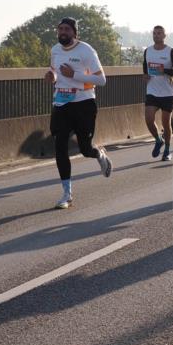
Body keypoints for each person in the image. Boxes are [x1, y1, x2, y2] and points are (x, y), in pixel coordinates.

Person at [46, 17, 112, 209]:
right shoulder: (55, 50)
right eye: (60, 29)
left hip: (83, 104)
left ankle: (98, 154)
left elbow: (101, 80)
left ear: (74, 32)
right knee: (60, 146)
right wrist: (52, 76)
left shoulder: (86, 50)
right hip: (61, 103)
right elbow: (54, 70)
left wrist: (73, 75)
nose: (63, 32)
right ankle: (67, 194)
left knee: (85, 149)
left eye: (67, 29)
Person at [143, 25, 173, 162]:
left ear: (164, 36)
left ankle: (167, 150)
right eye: (154, 33)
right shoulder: (148, 51)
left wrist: (165, 71)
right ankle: (158, 139)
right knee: (149, 119)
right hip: (152, 91)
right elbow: (145, 67)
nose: (156, 35)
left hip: (167, 92)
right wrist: (145, 75)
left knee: (166, 123)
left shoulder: (170, 52)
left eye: (159, 33)